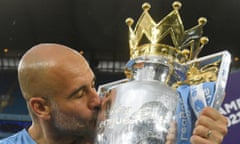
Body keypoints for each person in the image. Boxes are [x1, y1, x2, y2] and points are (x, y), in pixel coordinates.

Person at [0, 43, 228, 144]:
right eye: (79, 94)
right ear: (41, 107)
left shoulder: (120, 136)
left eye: (92, 84)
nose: (97, 99)